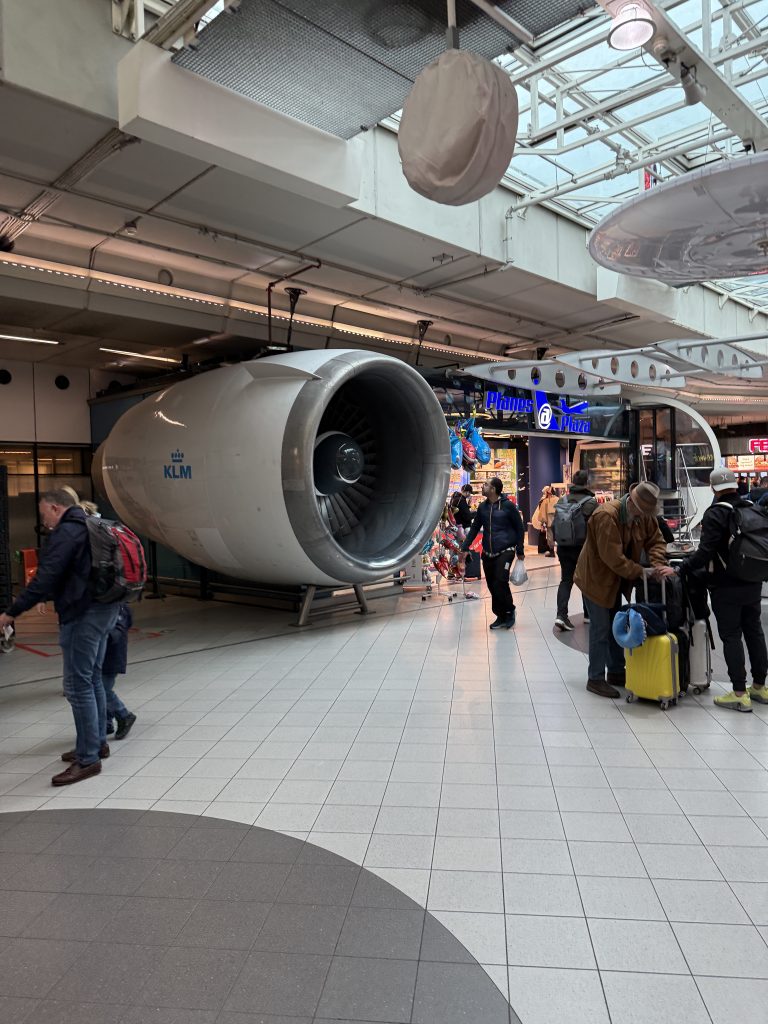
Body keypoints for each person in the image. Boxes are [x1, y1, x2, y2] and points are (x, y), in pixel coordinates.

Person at [0, 489, 119, 785]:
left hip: (83, 615)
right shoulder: (92, 524)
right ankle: (96, 744)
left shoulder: (68, 532)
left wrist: (11, 612)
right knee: (92, 678)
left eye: (45, 515)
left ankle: (88, 759)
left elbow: (45, 577)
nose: (45, 522)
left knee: (77, 686)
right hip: (106, 610)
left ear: (55, 508)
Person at [574, 481, 674, 698]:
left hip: (616, 579)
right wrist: (641, 571)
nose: (645, 516)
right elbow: (613, 558)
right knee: (601, 627)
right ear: (633, 504)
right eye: (642, 511)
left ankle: (616, 672)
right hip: (595, 578)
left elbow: (656, 541)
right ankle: (595, 678)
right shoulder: (606, 516)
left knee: (616, 623)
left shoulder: (644, 516)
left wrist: (658, 564)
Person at [681, 468, 768, 712]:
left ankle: (739, 692)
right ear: (735, 484)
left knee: (731, 636)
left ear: (713, 488)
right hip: (753, 581)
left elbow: (705, 552)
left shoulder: (716, 513)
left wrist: (682, 567)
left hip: (725, 585)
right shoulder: (752, 507)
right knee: (754, 632)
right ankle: (760, 686)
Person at [460, 477, 525, 630]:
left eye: (486, 484)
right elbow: (475, 528)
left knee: (500, 581)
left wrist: (520, 549)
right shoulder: (482, 507)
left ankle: (509, 611)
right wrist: (465, 546)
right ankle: (500, 615)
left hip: (506, 550)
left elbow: (519, 527)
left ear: (493, 489)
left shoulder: (508, 506)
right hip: (488, 553)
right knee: (491, 584)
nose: (483, 486)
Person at [554, 469, 598, 632]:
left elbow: (554, 524)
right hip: (583, 548)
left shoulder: (562, 500)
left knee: (566, 580)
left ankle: (561, 615)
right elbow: (597, 527)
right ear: (587, 483)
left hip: (564, 547)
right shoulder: (591, 503)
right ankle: (588, 614)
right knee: (586, 581)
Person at [102, 604, 137, 738]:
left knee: (103, 689)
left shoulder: (118, 609)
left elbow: (115, 634)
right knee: (101, 688)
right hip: (107, 657)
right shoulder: (114, 607)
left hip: (111, 657)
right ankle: (106, 721)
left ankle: (124, 714)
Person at [534, 485, 559, 557]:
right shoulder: (559, 499)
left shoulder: (545, 501)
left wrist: (542, 523)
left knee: (550, 537)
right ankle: (559, 551)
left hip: (550, 523)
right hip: (559, 522)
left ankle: (552, 552)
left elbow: (542, 514)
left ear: (548, 493)